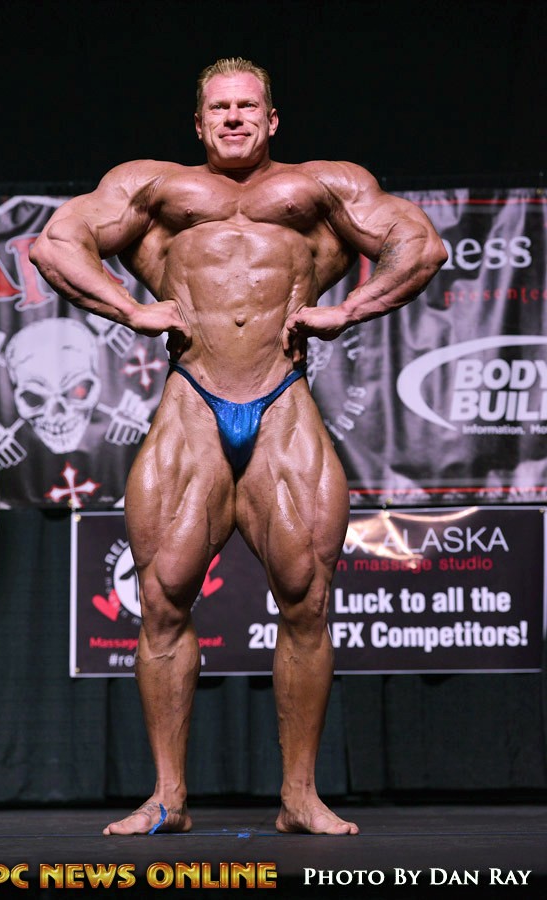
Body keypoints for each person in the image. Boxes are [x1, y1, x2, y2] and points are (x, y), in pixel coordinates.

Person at [31, 57, 447, 836]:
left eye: (247, 106)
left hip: (283, 402)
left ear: (272, 118)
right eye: (219, 108)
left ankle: (299, 796)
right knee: (162, 600)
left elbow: (420, 247)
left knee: (308, 598)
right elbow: (56, 244)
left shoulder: (321, 188)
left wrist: (348, 310)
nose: (233, 118)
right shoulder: (156, 188)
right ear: (198, 123)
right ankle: (167, 798)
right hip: (191, 404)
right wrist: (131, 309)